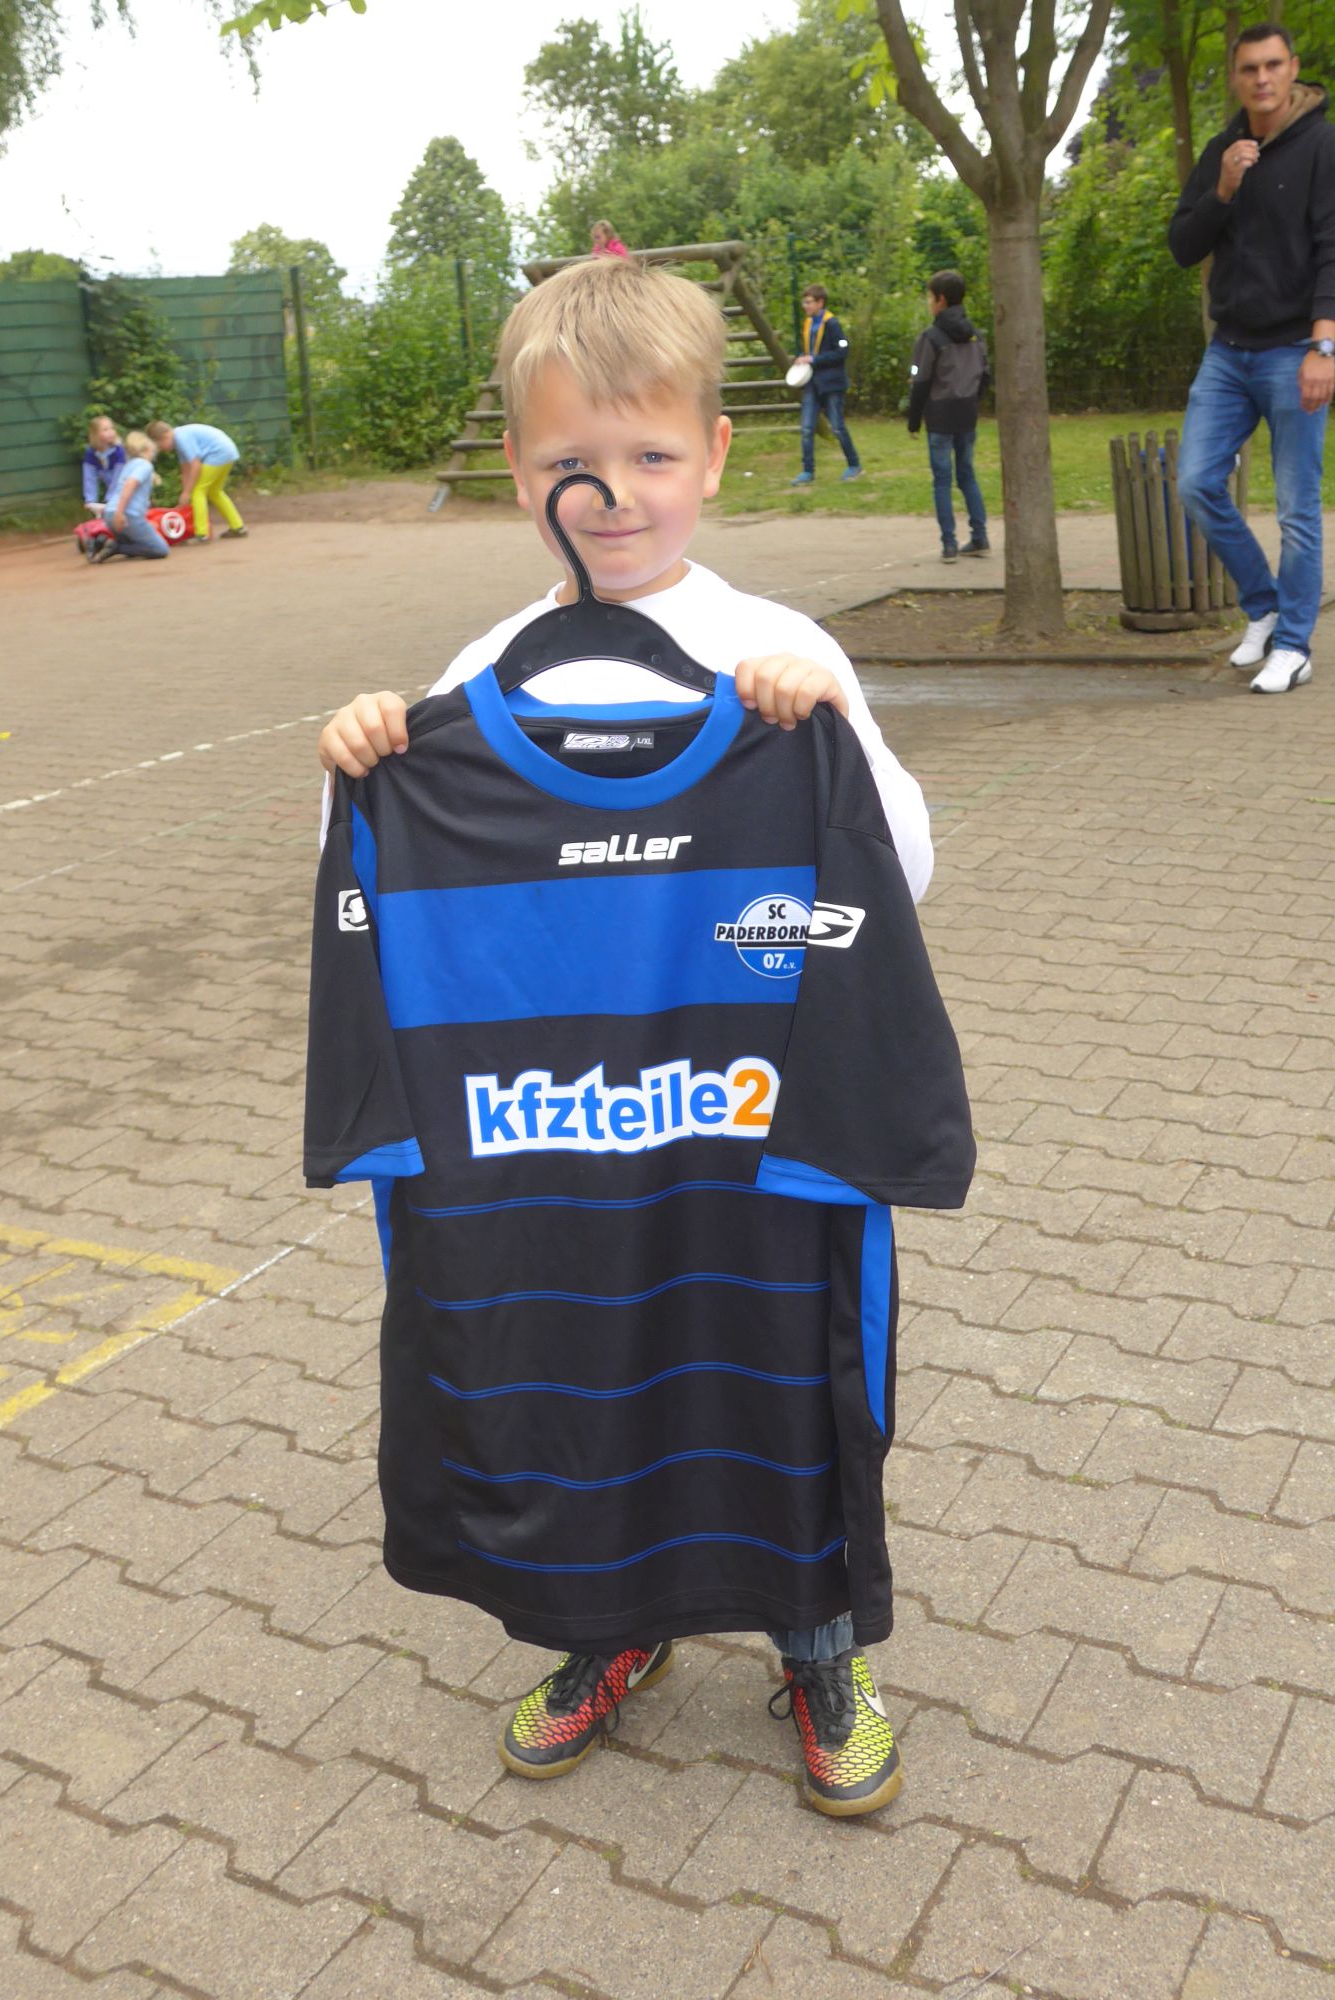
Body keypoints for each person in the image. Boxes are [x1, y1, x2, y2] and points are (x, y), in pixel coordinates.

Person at [311, 255, 956, 1818]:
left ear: (715, 457)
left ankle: (819, 1650)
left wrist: (831, 734)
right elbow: (380, 901)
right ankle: (611, 1628)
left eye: (651, 455)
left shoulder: (779, 648)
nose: (613, 496)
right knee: (586, 1380)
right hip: (559, 1150)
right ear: (516, 471)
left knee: (776, 1380)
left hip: (751, 1133)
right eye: (570, 463)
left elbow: (901, 872)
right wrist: (359, 767)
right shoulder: (472, 678)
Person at [1169, 20, 1335, 695]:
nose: (1262, 78)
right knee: (1195, 482)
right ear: (1235, 77)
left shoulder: (1325, 147)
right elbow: (1183, 247)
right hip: (1229, 352)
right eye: (1249, 68)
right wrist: (1221, 189)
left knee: (1296, 510)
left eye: (1273, 65)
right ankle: (1265, 605)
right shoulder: (1224, 150)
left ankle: (1295, 647)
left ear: (1293, 68)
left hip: (1295, 350)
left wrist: (1323, 345)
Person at [907, 271, 990, 562]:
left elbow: (920, 380)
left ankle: (949, 543)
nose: (929, 302)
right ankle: (980, 536)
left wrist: (913, 419)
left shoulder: (930, 338)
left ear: (940, 300)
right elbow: (985, 375)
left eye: (930, 297)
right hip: (967, 413)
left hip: (940, 415)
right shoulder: (976, 335)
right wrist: (973, 401)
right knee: (967, 474)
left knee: (942, 479)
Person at [789, 285, 861, 486]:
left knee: (837, 426)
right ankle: (807, 471)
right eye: (804, 302)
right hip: (812, 383)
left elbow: (842, 351)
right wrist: (803, 358)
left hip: (832, 384)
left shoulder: (832, 324)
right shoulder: (808, 323)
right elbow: (810, 352)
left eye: (809, 302)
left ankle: (854, 464)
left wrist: (814, 359)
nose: (805, 306)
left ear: (820, 302)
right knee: (806, 428)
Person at [147, 419, 248, 545]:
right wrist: (185, 492)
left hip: (217, 453)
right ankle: (238, 527)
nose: (161, 449)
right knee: (215, 492)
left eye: (159, 445)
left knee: (198, 491)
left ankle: (202, 534)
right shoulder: (179, 440)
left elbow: (195, 465)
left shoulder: (181, 438)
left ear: (165, 436)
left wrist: (188, 492)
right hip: (228, 452)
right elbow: (185, 469)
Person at [87, 430, 167, 564]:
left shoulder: (129, 465)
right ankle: (117, 547)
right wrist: (120, 513)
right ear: (147, 450)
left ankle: (101, 541)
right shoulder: (145, 465)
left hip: (110, 514)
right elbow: (130, 484)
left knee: (133, 541)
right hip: (127, 515)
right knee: (160, 549)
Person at [80, 415, 127, 516]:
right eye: (105, 430)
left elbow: (118, 478)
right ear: (96, 434)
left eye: (112, 428)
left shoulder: (119, 451)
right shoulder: (91, 453)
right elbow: (89, 477)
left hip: (127, 490)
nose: (111, 432)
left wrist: (110, 499)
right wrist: (90, 500)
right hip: (113, 494)